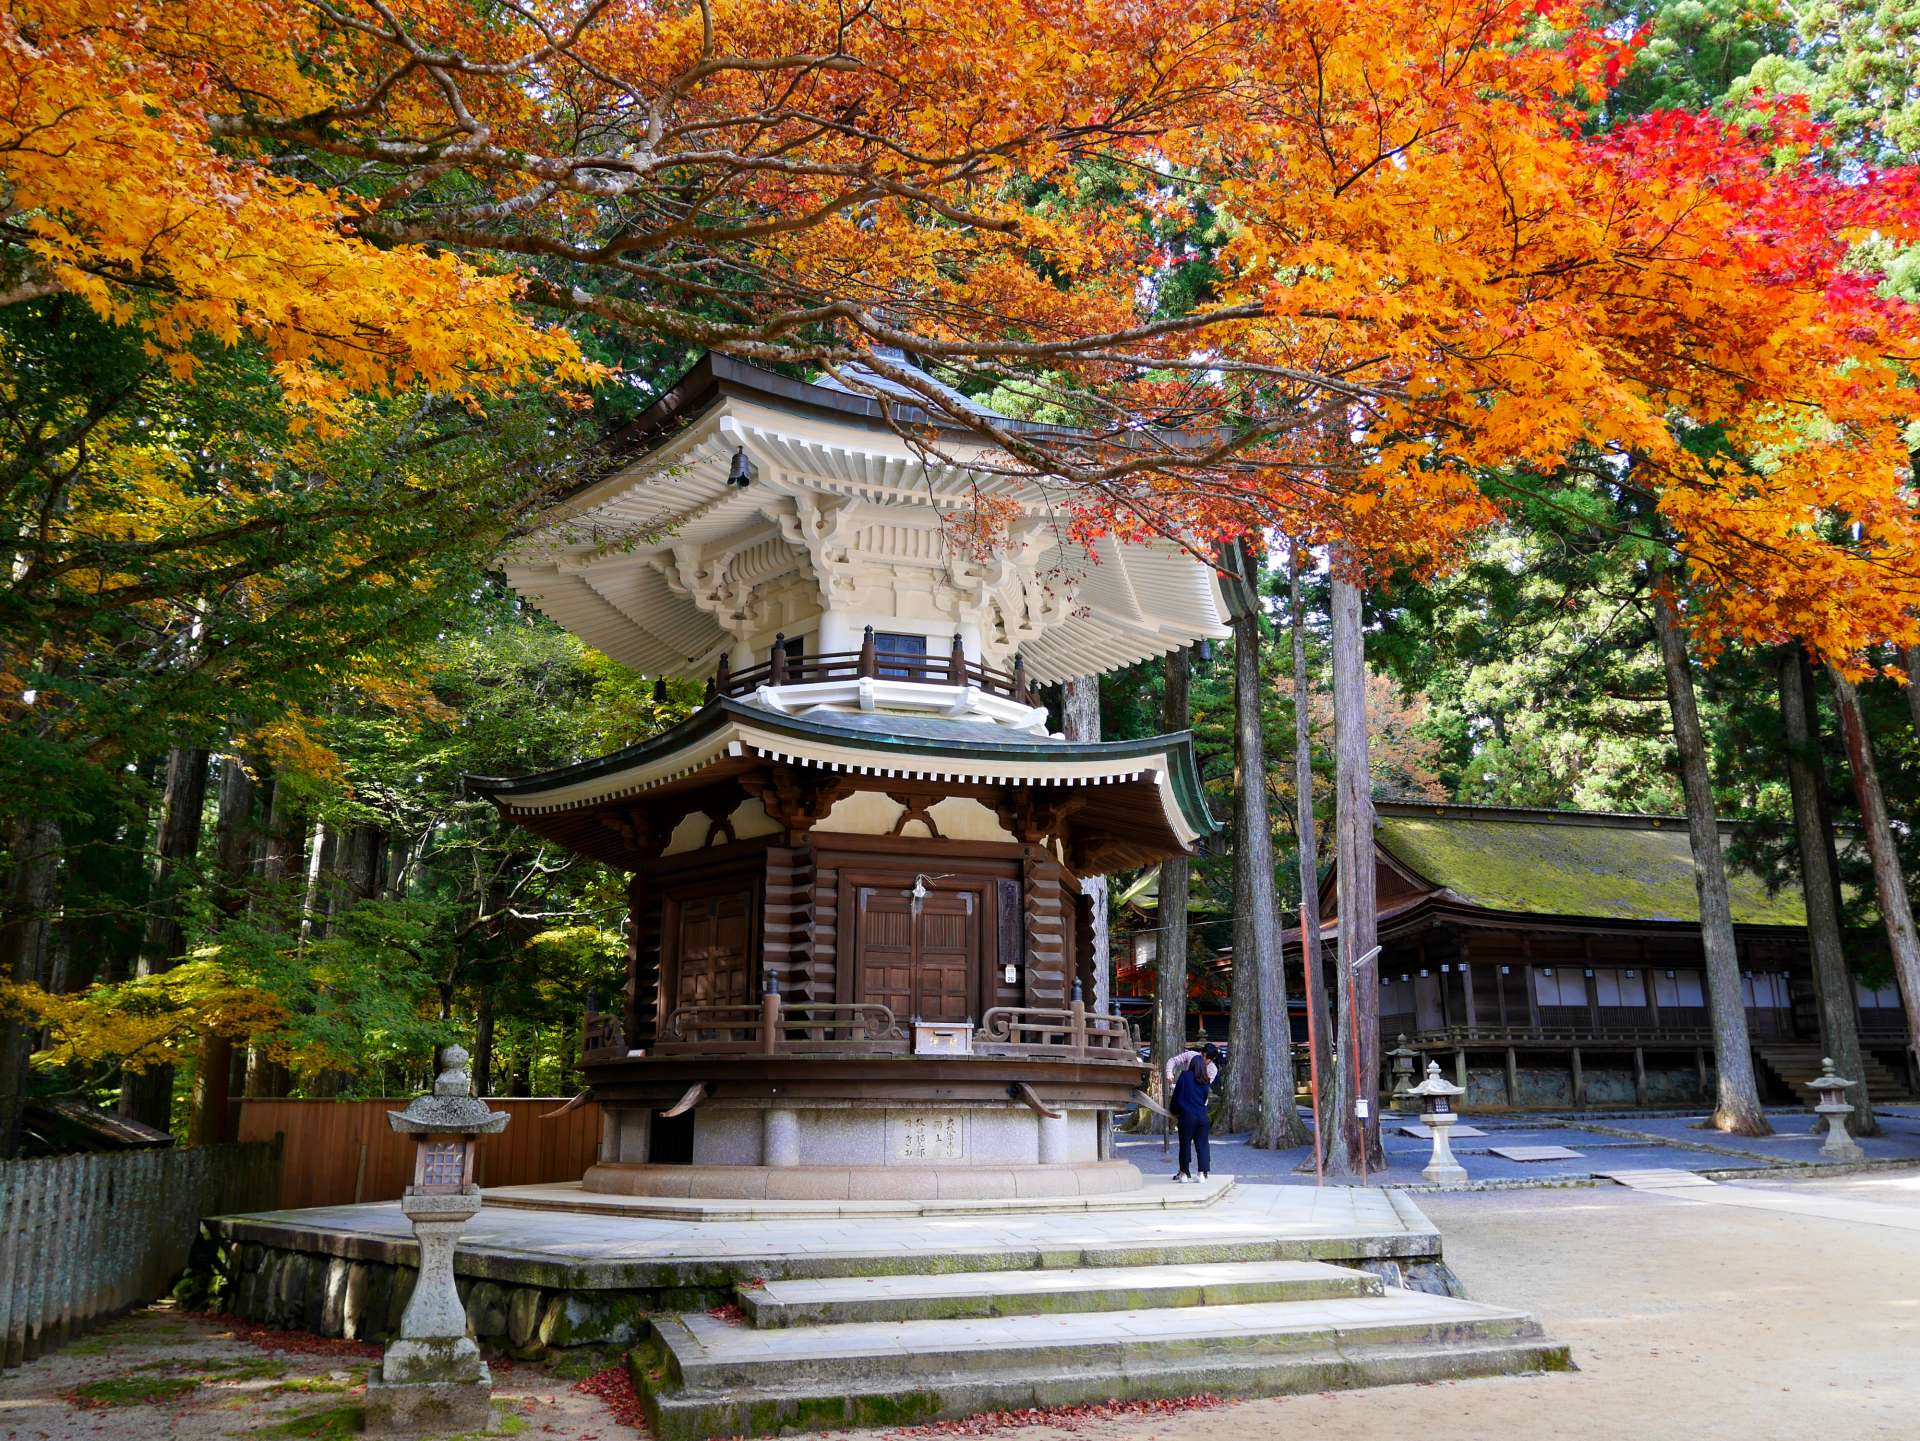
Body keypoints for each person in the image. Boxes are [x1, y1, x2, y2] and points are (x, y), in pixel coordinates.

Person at [1170, 1042, 1219, 1183]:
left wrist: (1175, 1111)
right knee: (1203, 1144)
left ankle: (1184, 1173)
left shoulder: (1185, 1076)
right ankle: (1202, 1174)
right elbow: (1203, 1099)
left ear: (1191, 1065)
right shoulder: (1205, 1081)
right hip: (1202, 1116)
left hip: (1187, 1116)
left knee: (1185, 1144)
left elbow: (1177, 1096)